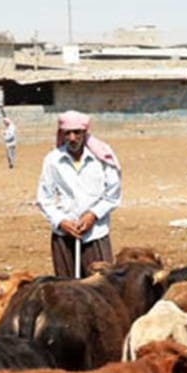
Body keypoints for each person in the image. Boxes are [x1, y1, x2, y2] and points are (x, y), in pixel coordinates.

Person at [36, 110, 121, 279]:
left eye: (77, 132)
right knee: (67, 288)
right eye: (67, 133)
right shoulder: (53, 160)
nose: (72, 138)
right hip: (64, 235)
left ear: (85, 133)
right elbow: (44, 198)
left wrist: (93, 215)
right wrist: (61, 221)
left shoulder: (101, 158)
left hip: (95, 233)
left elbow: (113, 194)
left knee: (100, 286)